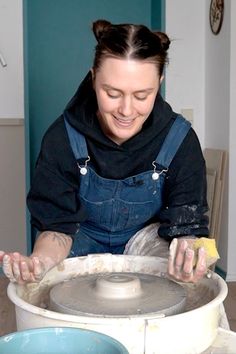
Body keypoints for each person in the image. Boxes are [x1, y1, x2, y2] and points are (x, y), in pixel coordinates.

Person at [0, 19, 209, 285]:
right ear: (93, 77)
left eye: (143, 95)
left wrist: (188, 255)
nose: (126, 110)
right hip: (79, 239)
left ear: (160, 82)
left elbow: (186, 228)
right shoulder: (62, 138)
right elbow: (57, 227)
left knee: (192, 291)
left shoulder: (179, 140)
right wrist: (39, 262)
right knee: (43, 289)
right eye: (112, 93)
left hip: (146, 242)